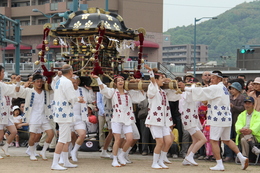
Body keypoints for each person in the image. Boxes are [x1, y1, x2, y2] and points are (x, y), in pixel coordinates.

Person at [186, 70, 249, 171]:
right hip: (226, 118)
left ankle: (219, 163)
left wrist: (186, 88)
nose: (211, 79)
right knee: (226, 140)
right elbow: (210, 97)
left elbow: (202, 92)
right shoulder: (223, 87)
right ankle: (241, 157)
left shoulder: (216, 87)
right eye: (211, 77)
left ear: (219, 79)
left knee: (214, 141)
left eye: (213, 77)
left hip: (218, 118)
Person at [92, 73, 145, 167]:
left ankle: (122, 155)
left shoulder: (129, 93)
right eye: (118, 81)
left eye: (122, 80)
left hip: (128, 119)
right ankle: (115, 159)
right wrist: (98, 79)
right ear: (115, 83)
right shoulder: (113, 92)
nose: (121, 82)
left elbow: (140, 97)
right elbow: (104, 89)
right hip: (117, 118)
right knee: (118, 140)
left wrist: (140, 84)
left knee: (129, 139)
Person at [50, 65, 85, 170]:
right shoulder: (67, 82)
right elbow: (71, 98)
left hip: (62, 112)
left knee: (66, 139)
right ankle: (55, 163)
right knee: (62, 139)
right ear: (70, 71)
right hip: (64, 113)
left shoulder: (59, 81)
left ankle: (65, 161)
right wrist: (79, 99)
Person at [15, 74, 54, 161]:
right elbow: (17, 92)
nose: (39, 83)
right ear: (33, 83)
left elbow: (54, 88)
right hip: (33, 116)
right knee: (32, 136)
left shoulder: (46, 92)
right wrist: (18, 82)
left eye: (41, 81)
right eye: (37, 82)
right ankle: (31, 153)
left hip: (44, 116)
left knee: (51, 134)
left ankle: (43, 152)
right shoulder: (29, 91)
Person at [144, 65, 173, 169]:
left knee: (169, 141)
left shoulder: (163, 92)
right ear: (156, 80)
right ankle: (154, 163)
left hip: (164, 120)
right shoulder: (152, 89)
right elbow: (153, 83)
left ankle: (161, 161)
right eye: (161, 79)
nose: (164, 80)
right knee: (160, 142)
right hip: (155, 120)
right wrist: (151, 72)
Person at [180, 82, 207, 166]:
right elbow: (191, 94)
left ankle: (187, 159)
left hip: (193, 120)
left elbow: (204, 101)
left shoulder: (191, 94)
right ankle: (190, 156)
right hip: (190, 120)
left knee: (195, 140)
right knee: (203, 139)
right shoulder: (187, 94)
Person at [223, 82, 245, 162]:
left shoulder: (242, 98)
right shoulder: (229, 97)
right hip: (228, 120)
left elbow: (243, 108)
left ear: (238, 90)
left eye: (233, 89)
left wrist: (234, 106)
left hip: (238, 120)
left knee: (237, 138)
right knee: (227, 137)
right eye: (231, 89)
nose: (231, 91)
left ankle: (237, 155)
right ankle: (228, 155)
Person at [0, 65, 18, 158]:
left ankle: (6, 146)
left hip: (7, 113)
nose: (3, 74)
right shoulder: (2, 86)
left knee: (14, 131)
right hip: (0, 113)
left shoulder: (3, 85)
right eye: (2, 72)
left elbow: (12, 90)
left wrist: (18, 84)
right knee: (0, 134)